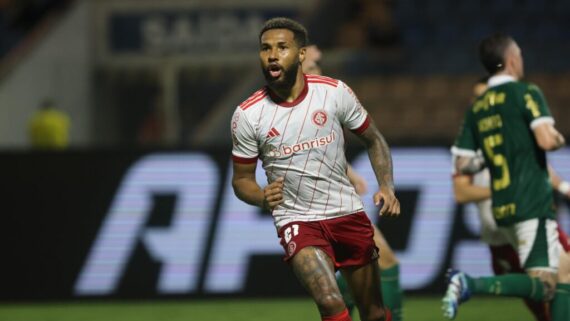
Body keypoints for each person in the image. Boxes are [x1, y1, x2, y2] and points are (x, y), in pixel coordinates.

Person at [231, 17, 400, 321]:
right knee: (330, 301)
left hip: (346, 212)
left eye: (282, 47)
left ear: (301, 54)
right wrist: (261, 197)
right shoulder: (248, 114)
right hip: (297, 220)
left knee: (373, 312)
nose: (272, 54)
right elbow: (241, 180)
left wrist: (386, 185)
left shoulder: (334, 93)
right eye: (265, 48)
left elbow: (374, 140)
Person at [444, 33, 570, 320]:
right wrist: (557, 138)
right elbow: (546, 141)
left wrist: (490, 154)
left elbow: (463, 164)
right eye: (520, 55)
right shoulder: (526, 93)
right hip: (531, 203)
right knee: (546, 285)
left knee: (564, 274)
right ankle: (470, 283)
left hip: (503, 208)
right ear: (512, 60)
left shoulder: (477, 108)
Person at [303, 44, 403, 321]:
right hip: (317, 205)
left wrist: (349, 171)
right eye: (311, 68)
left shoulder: (323, 97)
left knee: (375, 266)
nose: (318, 72)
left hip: (336, 198)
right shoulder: (301, 107)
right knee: (380, 265)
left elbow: (323, 148)